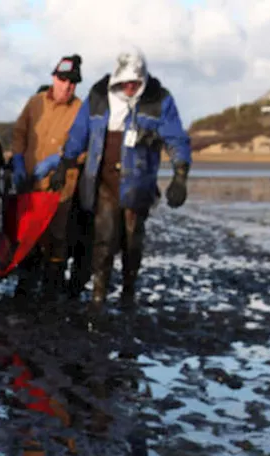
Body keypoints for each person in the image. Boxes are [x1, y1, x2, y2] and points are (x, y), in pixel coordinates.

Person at [51, 49, 191, 307]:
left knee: (132, 241)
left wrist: (180, 175)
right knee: (103, 239)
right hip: (102, 180)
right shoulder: (98, 95)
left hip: (138, 183)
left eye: (135, 83)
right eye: (126, 82)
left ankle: (128, 291)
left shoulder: (158, 98)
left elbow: (176, 138)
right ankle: (98, 296)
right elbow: (79, 133)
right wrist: (64, 164)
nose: (130, 87)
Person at [9, 54, 84, 298]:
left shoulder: (80, 109)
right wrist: (18, 160)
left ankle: (52, 287)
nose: (67, 86)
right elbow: (19, 133)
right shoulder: (35, 102)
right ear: (54, 78)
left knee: (57, 236)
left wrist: (59, 161)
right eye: (63, 80)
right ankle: (25, 284)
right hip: (30, 182)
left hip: (60, 185)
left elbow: (87, 147)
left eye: (73, 82)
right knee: (28, 233)